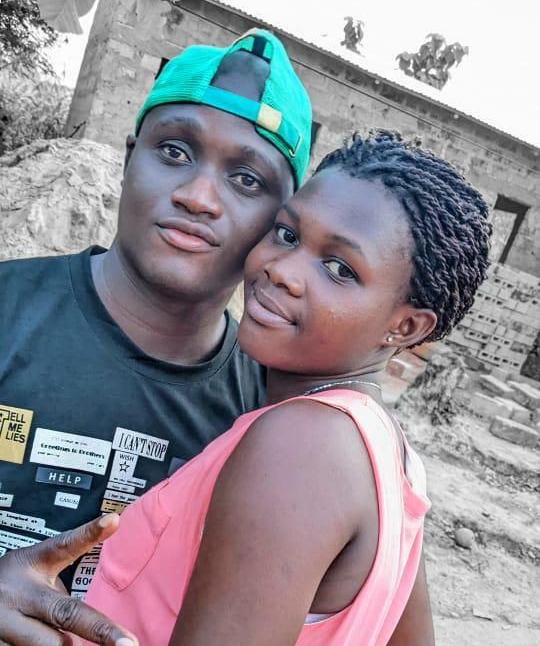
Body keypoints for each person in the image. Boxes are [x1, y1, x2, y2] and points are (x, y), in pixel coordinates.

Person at [85, 131, 492, 645]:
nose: (281, 271)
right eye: (286, 234)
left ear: (406, 327)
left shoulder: (303, 444)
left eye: (339, 269)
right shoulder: (390, 455)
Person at [0, 28, 312, 645]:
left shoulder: (269, 418)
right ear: (127, 159)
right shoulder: (8, 309)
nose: (198, 197)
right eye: (174, 151)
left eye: (247, 180)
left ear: (281, 224)